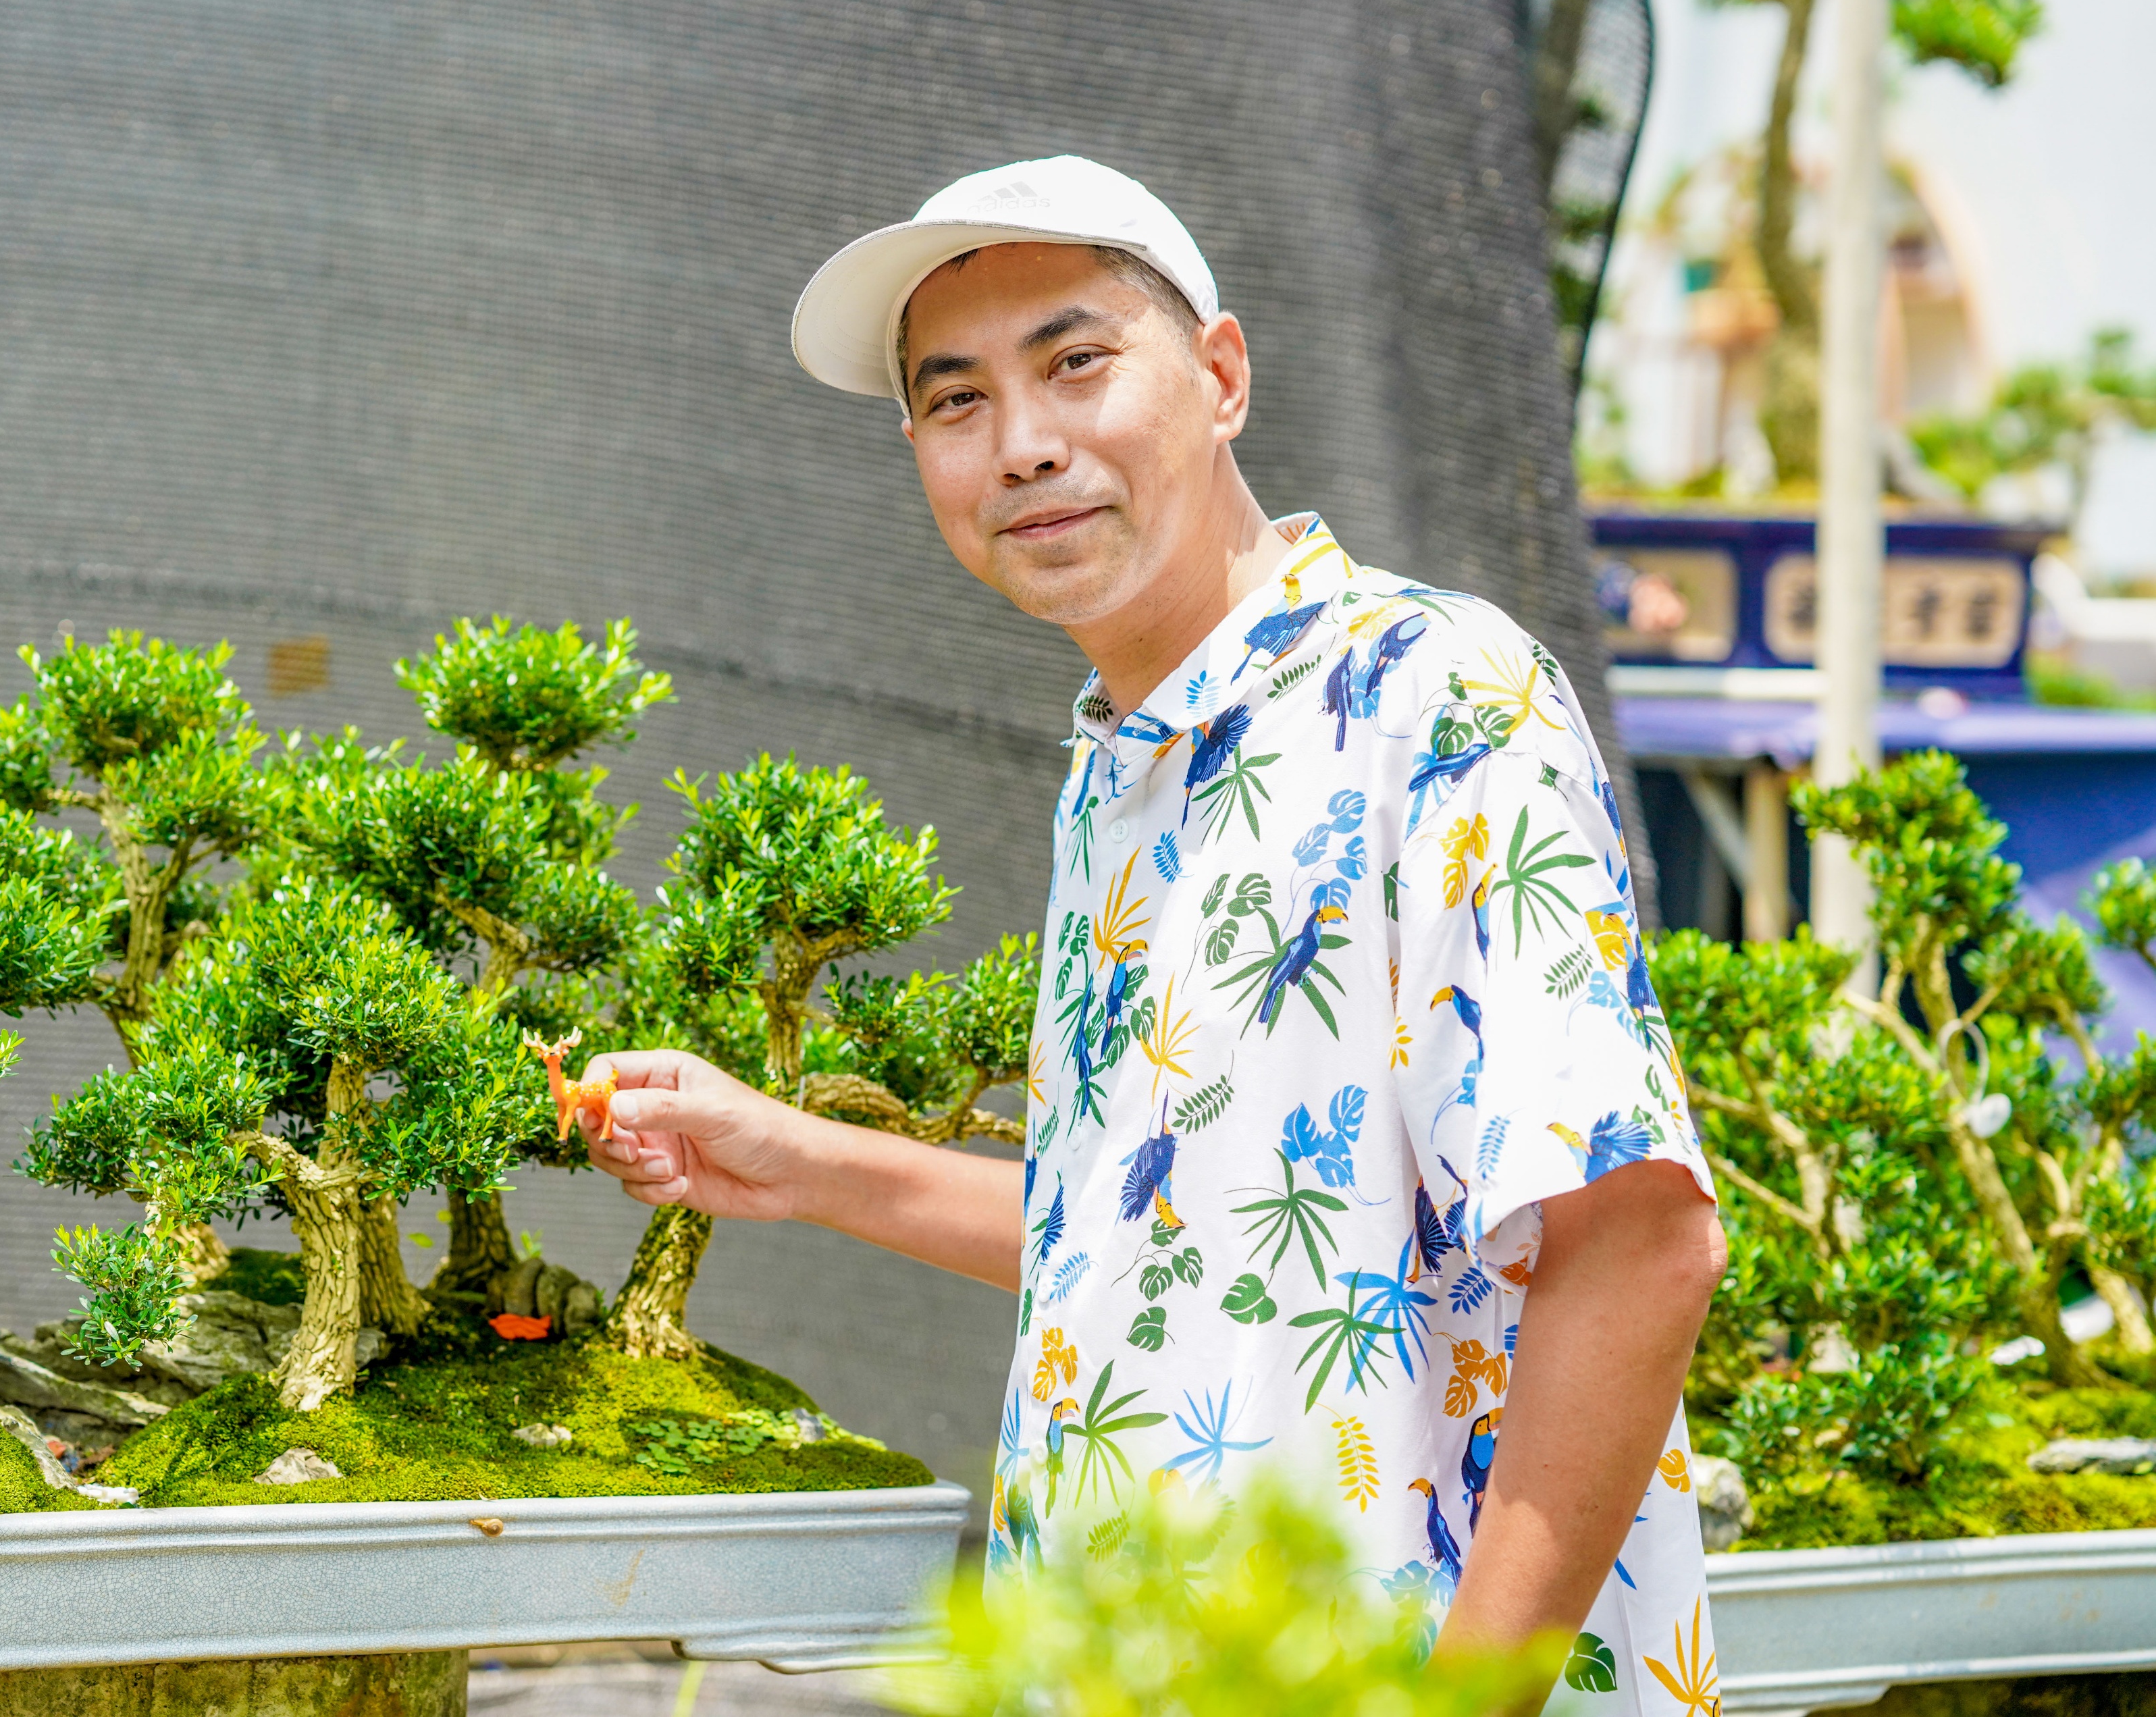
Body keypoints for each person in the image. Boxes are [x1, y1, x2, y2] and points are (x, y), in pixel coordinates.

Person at [585, 156, 1725, 1708]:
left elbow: (1639, 1238)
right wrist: (790, 1154)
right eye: (955, 400)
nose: (1026, 446)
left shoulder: (1432, 695)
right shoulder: (1125, 769)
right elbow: (1164, 1231)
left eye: (1076, 361)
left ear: (1223, 375)